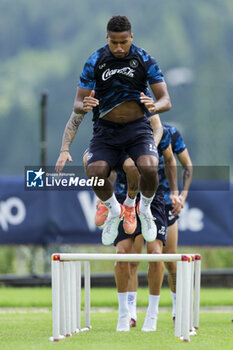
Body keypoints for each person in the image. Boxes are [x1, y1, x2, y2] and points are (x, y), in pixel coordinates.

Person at [55, 15, 171, 246]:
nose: (119, 47)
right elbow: (78, 104)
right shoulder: (95, 60)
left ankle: (144, 210)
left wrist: (155, 106)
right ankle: (114, 211)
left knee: (149, 166)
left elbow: (166, 99)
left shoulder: (145, 58)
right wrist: (83, 106)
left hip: (137, 128)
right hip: (106, 131)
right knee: (95, 172)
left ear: (131, 38)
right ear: (107, 38)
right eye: (114, 42)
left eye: (123, 42)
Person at [113, 126, 182, 332]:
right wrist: (105, 201)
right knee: (125, 255)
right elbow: (106, 168)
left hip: (154, 198)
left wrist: (177, 192)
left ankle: (153, 313)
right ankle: (126, 313)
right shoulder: (114, 127)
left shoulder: (160, 129)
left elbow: (173, 160)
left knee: (157, 253)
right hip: (124, 197)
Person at [127, 124, 193, 327]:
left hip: (163, 203)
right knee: (131, 259)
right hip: (135, 201)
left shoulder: (169, 133)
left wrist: (180, 196)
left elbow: (187, 166)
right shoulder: (127, 129)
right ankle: (130, 313)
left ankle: (176, 309)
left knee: (168, 260)